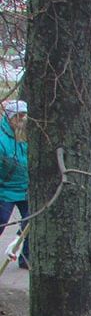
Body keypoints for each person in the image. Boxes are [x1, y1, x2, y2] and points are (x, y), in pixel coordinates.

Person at [0, 100, 29, 269]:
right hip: (5, 189)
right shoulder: (2, 139)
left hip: (25, 187)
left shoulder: (26, 135)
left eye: (24, 116)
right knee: (1, 220)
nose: (22, 120)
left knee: (31, 222)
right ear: (10, 118)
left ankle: (26, 258)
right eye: (18, 116)